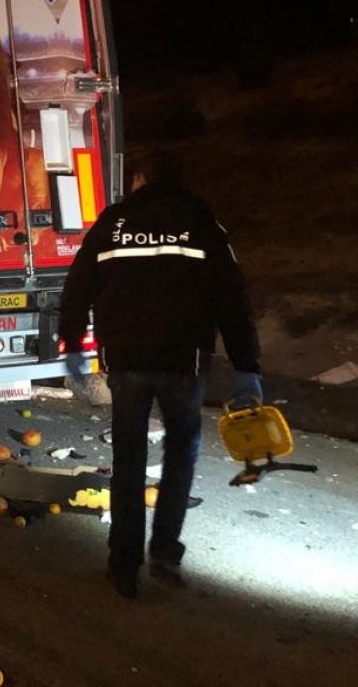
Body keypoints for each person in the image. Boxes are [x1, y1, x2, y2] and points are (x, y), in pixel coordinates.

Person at [58, 146, 261, 598]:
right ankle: (165, 551)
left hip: (126, 360)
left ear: (141, 180)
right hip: (182, 362)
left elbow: (78, 286)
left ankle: (123, 565)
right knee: (181, 453)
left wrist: (71, 344)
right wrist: (247, 366)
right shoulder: (201, 219)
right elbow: (232, 297)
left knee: (128, 460)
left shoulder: (113, 222)